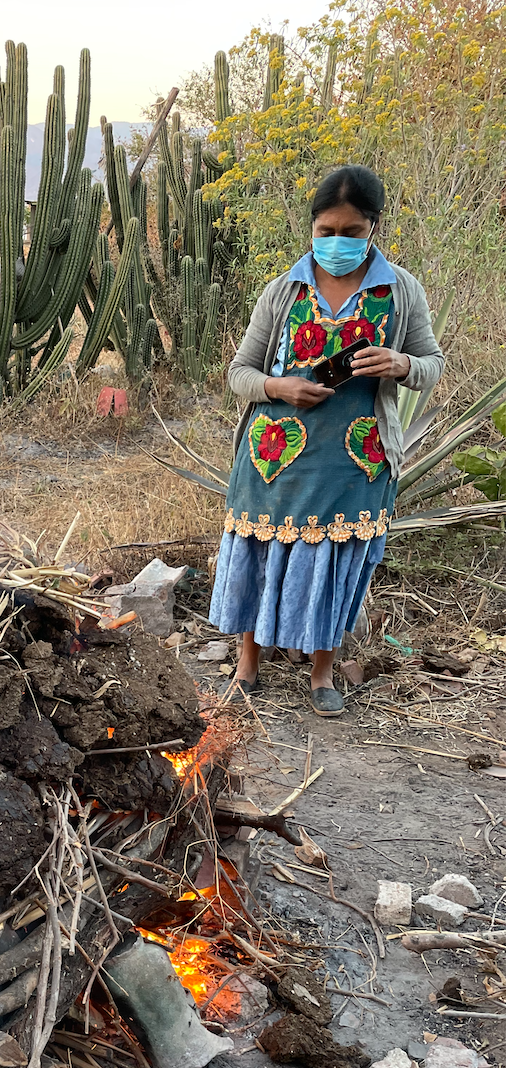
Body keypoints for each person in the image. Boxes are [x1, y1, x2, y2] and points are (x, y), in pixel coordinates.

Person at [208, 164, 445, 715]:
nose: (337, 243)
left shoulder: (401, 290)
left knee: (337, 560)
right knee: (261, 552)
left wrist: (401, 362)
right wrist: (277, 386)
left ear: (373, 230)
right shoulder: (282, 291)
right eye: (326, 232)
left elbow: (433, 364)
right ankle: (248, 662)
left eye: (351, 233)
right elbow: (239, 372)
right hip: (273, 455)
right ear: (311, 228)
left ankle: (323, 673)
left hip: (357, 457)